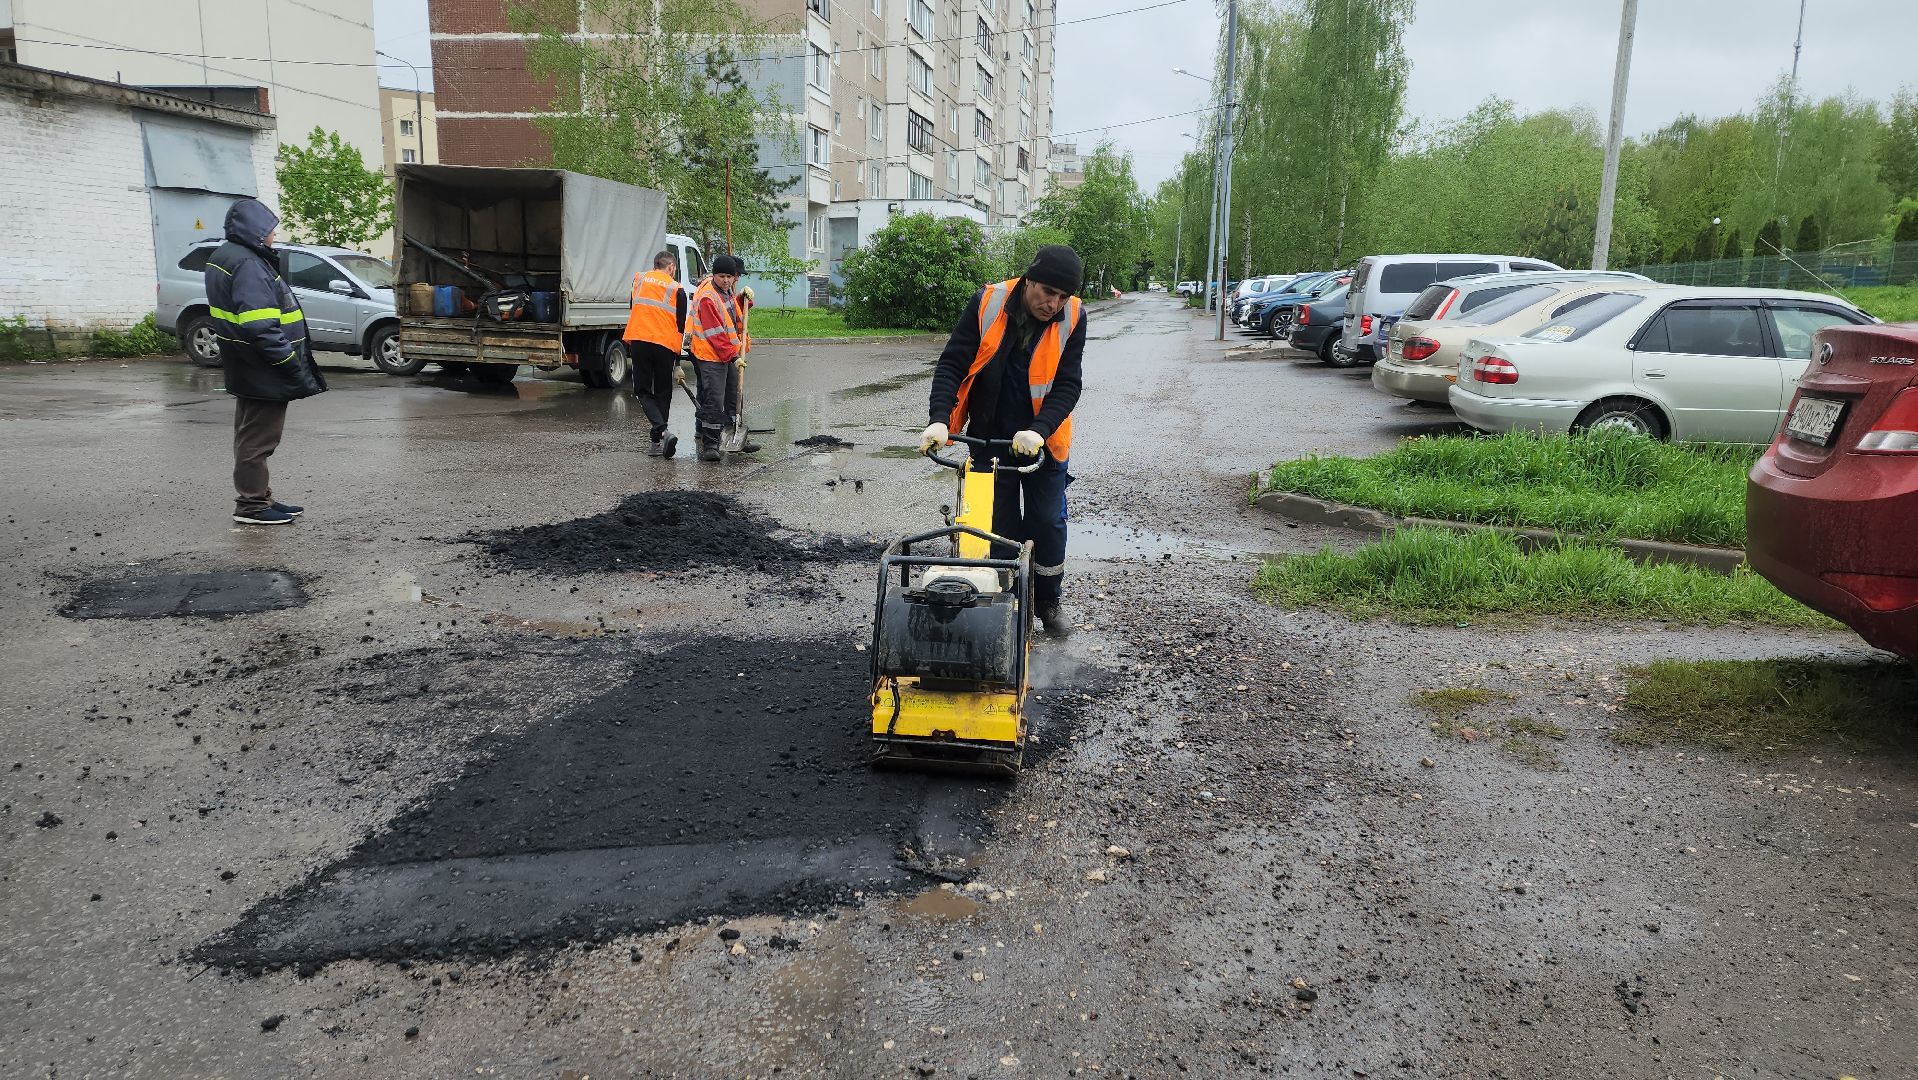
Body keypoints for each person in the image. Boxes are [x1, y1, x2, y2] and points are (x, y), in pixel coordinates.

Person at [920, 245, 1086, 636]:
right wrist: (939, 420)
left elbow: (1068, 384)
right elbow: (953, 362)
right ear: (1029, 280)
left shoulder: (1073, 316)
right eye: (1048, 292)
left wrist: (1039, 430)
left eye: (1062, 296)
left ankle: (1048, 601)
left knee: (1047, 520)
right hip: (989, 435)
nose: (1053, 304)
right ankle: (1007, 600)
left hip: (1043, 440)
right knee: (999, 524)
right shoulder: (988, 302)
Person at [204, 198, 326, 526]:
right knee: (258, 439)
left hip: (245, 363)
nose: (274, 235)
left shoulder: (228, 256)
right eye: (270, 229)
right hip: (263, 366)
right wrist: (287, 360)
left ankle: (260, 496)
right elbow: (260, 325)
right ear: (255, 231)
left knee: (249, 434)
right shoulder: (248, 263)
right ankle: (253, 505)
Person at [687, 254, 756, 462]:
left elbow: (731, 316)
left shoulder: (726, 292)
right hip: (711, 355)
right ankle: (710, 444)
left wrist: (742, 300)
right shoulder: (708, 296)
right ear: (714, 275)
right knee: (714, 400)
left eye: (730, 277)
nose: (726, 280)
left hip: (729, 353)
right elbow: (715, 333)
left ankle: (734, 435)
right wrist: (733, 357)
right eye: (722, 276)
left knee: (734, 396)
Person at [623, 250, 688, 458]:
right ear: (671, 267)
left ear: (655, 265)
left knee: (642, 390)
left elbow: (633, 308)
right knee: (663, 392)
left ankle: (660, 434)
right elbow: (680, 326)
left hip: (640, 340)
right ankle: (658, 438)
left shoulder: (639, 279)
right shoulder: (677, 288)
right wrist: (678, 362)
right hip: (665, 345)